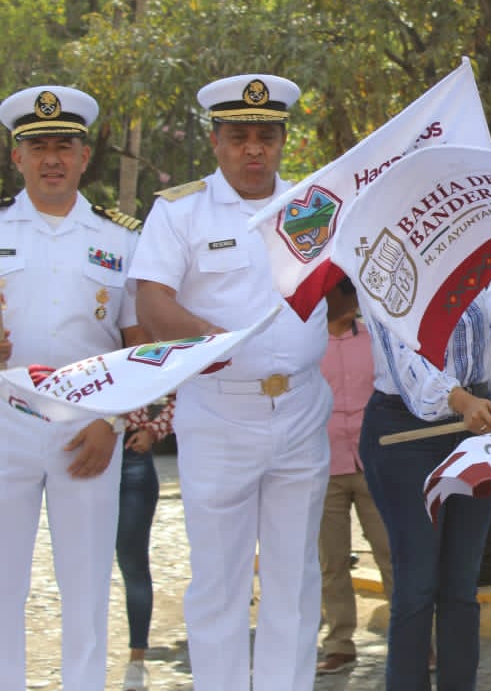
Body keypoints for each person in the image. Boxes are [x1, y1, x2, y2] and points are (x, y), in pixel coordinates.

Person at [130, 74, 332, 691]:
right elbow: (151, 303)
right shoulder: (180, 211)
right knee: (219, 578)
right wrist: (208, 338)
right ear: (215, 142)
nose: (254, 150)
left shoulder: (313, 205)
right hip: (217, 414)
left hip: (300, 409)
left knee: (295, 577)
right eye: (239, 137)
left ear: (282, 141)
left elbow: (347, 287)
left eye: (266, 137)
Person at [0, 85, 148, 691]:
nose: (52, 159)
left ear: (86, 156)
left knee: (86, 582)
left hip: (89, 425)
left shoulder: (121, 240)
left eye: (64, 146)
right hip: (4, 422)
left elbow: (136, 345)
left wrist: (113, 420)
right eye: (38, 147)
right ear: (16, 157)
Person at [358, 295, 491, 691]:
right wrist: (462, 400)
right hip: (406, 429)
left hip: (477, 423)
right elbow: (406, 363)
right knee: (417, 585)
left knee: (461, 587)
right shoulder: (379, 260)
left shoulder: (475, 255)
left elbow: (490, 350)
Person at [317, 277, 394, 675]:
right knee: (331, 562)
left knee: (391, 552)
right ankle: (340, 643)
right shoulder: (307, 344)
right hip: (323, 465)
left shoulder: (374, 339)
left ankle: (411, 640)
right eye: (342, 294)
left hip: (373, 463)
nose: (350, 302)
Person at [116, 394, 175, 691]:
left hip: (130, 453)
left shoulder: (135, 345)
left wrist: (154, 430)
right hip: (76, 448)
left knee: (133, 563)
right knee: (81, 566)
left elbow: (186, 386)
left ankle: (136, 663)